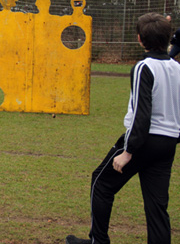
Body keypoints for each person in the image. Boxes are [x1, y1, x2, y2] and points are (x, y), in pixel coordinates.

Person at [66, 13, 180, 244]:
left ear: (139, 39)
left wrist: (128, 152)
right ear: (169, 39)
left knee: (101, 183)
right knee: (157, 206)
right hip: (167, 144)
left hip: (143, 141)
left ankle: (99, 241)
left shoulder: (143, 67)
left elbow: (141, 112)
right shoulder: (177, 68)